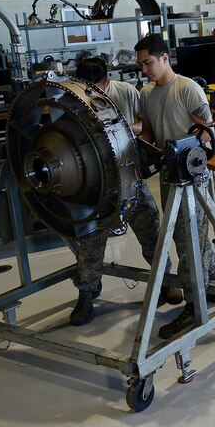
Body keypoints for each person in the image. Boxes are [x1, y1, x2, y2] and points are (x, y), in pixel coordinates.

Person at [67, 57, 183, 326]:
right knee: (90, 240)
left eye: (94, 89)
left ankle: (164, 281)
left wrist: (117, 134)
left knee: (151, 230)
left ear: (106, 83)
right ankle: (86, 293)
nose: (88, 95)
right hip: (93, 184)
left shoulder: (126, 92)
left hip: (129, 175)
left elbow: (145, 127)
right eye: (83, 88)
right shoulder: (71, 99)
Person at [135, 34, 215, 340]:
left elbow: (208, 134)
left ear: (164, 59)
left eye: (148, 62)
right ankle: (212, 283)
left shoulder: (187, 88)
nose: (144, 69)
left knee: (190, 240)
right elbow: (147, 132)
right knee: (183, 235)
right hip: (167, 174)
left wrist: (183, 152)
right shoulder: (146, 93)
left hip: (192, 176)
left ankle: (193, 304)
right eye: (141, 64)